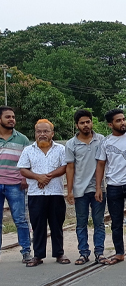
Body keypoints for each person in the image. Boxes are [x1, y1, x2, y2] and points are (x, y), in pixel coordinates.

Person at [96, 109, 126, 265]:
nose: (123, 122)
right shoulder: (106, 142)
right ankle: (119, 253)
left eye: (124, 119)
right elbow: (101, 164)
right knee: (116, 222)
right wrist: (99, 186)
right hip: (113, 186)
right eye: (118, 120)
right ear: (110, 124)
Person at [18, 120, 68, 267]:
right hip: (36, 194)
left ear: (52, 133)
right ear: (35, 134)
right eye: (39, 132)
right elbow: (23, 169)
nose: (42, 134)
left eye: (46, 131)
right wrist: (37, 177)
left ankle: (59, 253)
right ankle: (38, 255)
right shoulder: (28, 150)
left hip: (56, 193)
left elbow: (65, 167)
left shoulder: (61, 149)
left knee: (57, 224)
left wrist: (47, 176)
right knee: (38, 226)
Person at [65, 109, 106, 265]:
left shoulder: (101, 140)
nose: (86, 125)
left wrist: (99, 187)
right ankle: (83, 253)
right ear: (77, 125)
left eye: (88, 121)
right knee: (81, 223)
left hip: (98, 189)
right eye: (82, 123)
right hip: (80, 190)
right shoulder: (71, 144)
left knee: (99, 222)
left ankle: (99, 252)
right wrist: (69, 191)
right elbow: (70, 168)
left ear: (92, 122)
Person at [0, 106, 32, 262]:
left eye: (13, 117)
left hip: (15, 184)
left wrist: (25, 179)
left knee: (20, 219)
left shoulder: (23, 139)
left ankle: (26, 251)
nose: (12, 119)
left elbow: (28, 162)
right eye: (8, 117)